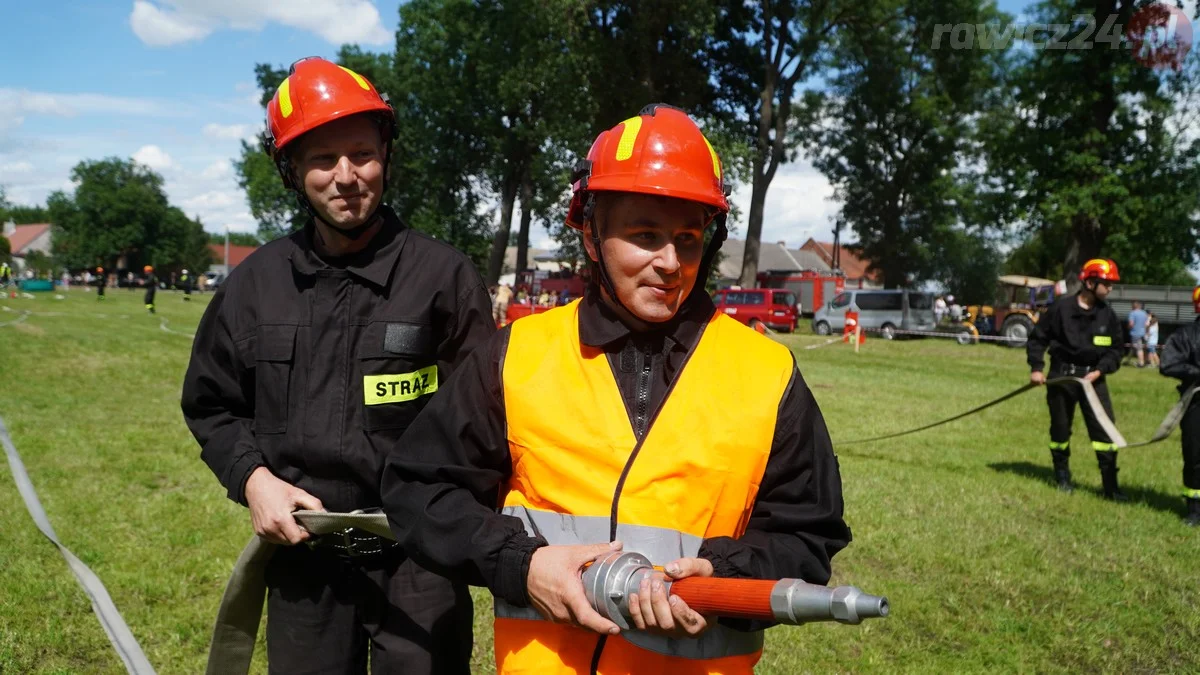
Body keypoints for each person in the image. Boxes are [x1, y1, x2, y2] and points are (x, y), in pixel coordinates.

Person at [380, 104, 851, 674]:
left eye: (689, 238)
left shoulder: (767, 373)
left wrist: (726, 576)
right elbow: (420, 489)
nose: (671, 263)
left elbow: (808, 534)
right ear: (591, 232)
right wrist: (522, 564)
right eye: (645, 235)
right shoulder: (517, 355)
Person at [180, 56, 493, 674]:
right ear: (292, 172)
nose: (346, 176)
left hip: (420, 560)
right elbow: (211, 405)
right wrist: (253, 480)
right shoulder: (254, 286)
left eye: (362, 154)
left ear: (387, 155)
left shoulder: (444, 279)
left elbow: (485, 422)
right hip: (305, 559)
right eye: (322, 159)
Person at [1026, 258, 1126, 499]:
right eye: (1107, 284)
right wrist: (1037, 368)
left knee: (1105, 432)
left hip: (1094, 380)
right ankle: (1062, 475)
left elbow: (1117, 350)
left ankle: (1110, 486)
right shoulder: (1061, 309)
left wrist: (1100, 370)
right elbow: (1038, 339)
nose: (1110, 289)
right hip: (1062, 377)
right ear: (1090, 283)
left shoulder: (1108, 315)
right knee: (1060, 429)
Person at [1159, 286, 1200, 526]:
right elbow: (1168, 365)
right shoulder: (1186, 335)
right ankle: (1194, 510)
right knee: (1195, 456)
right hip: (1195, 404)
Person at [1127, 301, 1149, 367]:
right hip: (1143, 332)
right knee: (1134, 347)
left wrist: (1128, 327)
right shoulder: (1144, 313)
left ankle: (1141, 363)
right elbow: (1146, 324)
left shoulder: (1132, 313)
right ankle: (1128, 360)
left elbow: (1131, 324)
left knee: (1139, 348)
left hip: (1135, 333)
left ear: (1133, 306)